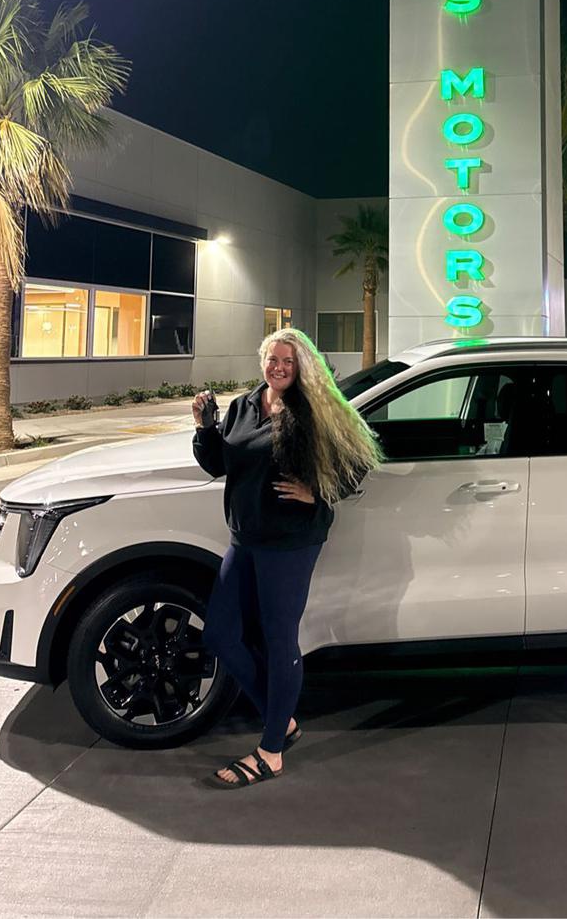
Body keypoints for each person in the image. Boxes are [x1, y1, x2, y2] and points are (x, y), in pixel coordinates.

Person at [193, 328, 381, 788]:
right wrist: (204, 428)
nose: (278, 367)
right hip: (244, 538)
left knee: (279, 641)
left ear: (301, 368)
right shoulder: (245, 406)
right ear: (263, 361)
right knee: (220, 634)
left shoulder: (314, 409)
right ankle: (283, 720)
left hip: (290, 541)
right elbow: (220, 464)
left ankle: (271, 751)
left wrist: (318, 493)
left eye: (288, 361)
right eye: (273, 359)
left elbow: (359, 461)